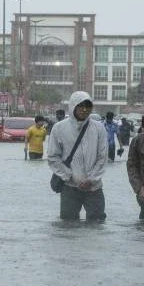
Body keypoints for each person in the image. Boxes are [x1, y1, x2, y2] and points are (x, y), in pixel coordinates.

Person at [47, 91, 109, 221]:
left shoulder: (99, 128)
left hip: (94, 188)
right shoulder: (59, 128)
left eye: (88, 106)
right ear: (73, 106)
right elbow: (53, 157)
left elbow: (102, 158)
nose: (84, 109)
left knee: (97, 225)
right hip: (69, 187)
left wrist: (91, 180)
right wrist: (70, 176)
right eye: (80, 106)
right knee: (68, 226)